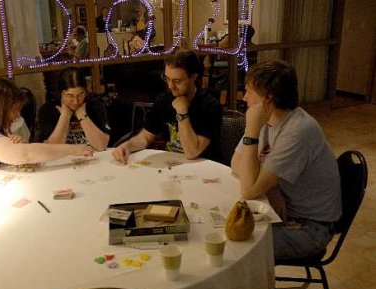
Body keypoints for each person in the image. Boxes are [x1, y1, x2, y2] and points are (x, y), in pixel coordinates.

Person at [231, 60, 341, 261]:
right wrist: (271, 186)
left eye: (248, 91)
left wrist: (251, 132)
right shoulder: (267, 118)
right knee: (225, 221)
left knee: (237, 243)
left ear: (268, 100)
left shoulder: (298, 130)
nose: (244, 97)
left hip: (310, 227)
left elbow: (248, 189)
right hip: (283, 211)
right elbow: (236, 161)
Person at [112, 49, 222, 164]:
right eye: (167, 79)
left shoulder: (210, 106)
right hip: (173, 165)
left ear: (193, 77)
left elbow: (191, 153)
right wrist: (126, 146)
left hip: (204, 168)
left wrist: (182, 112)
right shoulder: (164, 100)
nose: (170, 86)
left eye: (177, 81)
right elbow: (145, 137)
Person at [35, 67, 110, 150]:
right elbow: (51, 149)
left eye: (80, 95)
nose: (76, 101)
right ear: (61, 93)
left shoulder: (95, 105)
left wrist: (82, 116)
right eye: (70, 95)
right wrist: (64, 117)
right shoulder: (48, 109)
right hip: (62, 159)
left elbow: (102, 146)